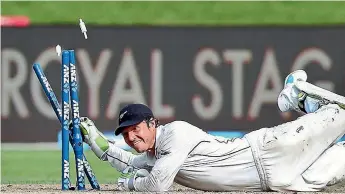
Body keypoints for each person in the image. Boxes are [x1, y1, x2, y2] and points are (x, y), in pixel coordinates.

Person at [78, 70, 345, 192]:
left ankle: (300, 97)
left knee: (342, 115)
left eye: (135, 129)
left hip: (270, 150)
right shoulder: (153, 156)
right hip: (277, 182)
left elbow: (156, 186)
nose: (131, 138)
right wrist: (96, 142)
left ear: (152, 123)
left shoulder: (175, 134)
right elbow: (127, 162)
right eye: (125, 135)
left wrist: (130, 186)